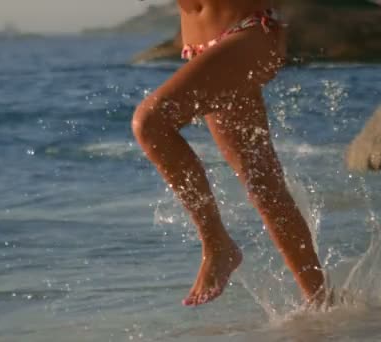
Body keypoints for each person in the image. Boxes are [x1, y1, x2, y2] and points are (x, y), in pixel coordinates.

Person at [132, 0, 325, 306]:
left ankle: (216, 244)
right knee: (263, 184)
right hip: (204, 48)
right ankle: (322, 302)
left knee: (150, 123)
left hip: (248, 34)